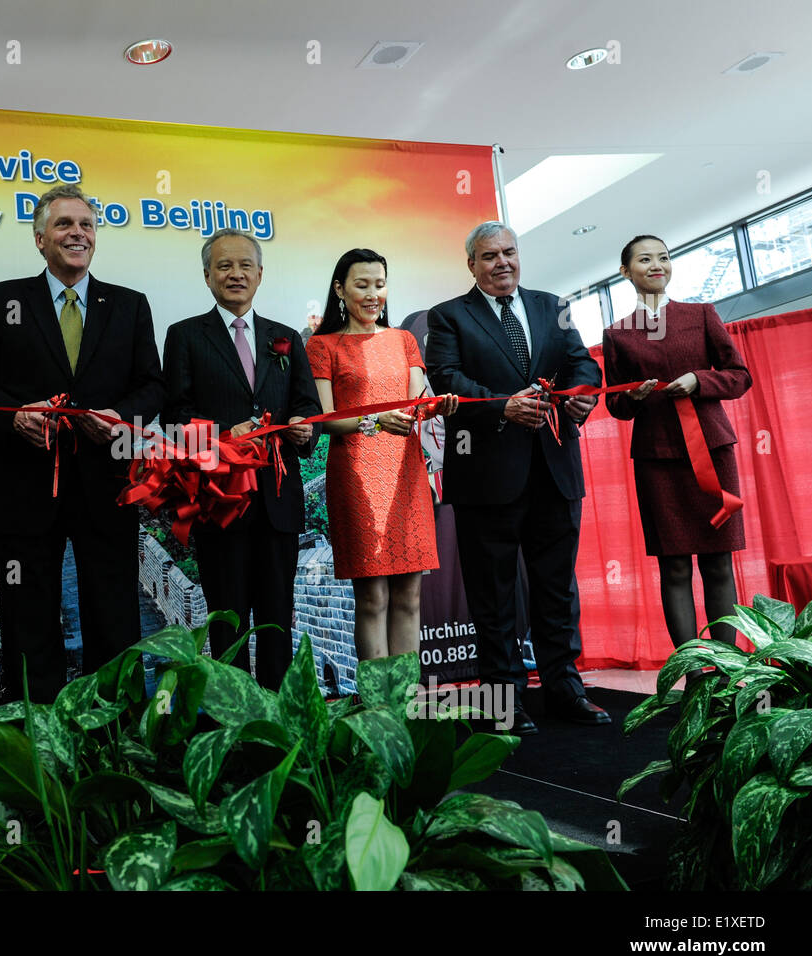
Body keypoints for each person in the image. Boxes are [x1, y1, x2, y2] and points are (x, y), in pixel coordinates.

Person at [0, 184, 163, 703]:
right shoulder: (2, 299)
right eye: (65, 224)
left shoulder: (130, 305)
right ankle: (39, 746)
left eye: (87, 225)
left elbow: (153, 385)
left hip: (108, 486)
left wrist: (123, 417)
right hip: (23, 487)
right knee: (28, 621)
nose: (78, 233)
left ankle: (114, 740)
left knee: (114, 616)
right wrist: (14, 416)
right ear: (39, 238)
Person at [425, 221, 606, 735]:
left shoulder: (553, 305)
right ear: (472, 265)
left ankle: (564, 689)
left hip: (555, 468)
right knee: (494, 593)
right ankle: (503, 699)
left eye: (509, 252)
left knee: (556, 587)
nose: (501, 262)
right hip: (487, 476)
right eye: (489, 256)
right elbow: (447, 380)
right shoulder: (448, 317)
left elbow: (581, 364)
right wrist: (503, 407)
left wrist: (581, 394)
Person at [161, 230, 321, 688]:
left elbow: (309, 406)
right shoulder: (185, 337)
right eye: (224, 266)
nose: (236, 274)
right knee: (227, 623)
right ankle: (232, 725)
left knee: (277, 620)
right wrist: (224, 436)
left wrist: (306, 427)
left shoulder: (286, 337)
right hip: (220, 504)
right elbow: (174, 418)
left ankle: (278, 721)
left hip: (277, 500)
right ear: (208, 276)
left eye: (245, 265)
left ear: (260, 274)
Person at [602, 235, 750, 670]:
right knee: (675, 568)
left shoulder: (702, 315)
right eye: (644, 259)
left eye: (664, 257)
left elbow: (739, 376)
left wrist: (700, 381)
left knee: (719, 563)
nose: (657, 264)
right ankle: (692, 674)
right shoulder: (618, 334)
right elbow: (615, 403)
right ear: (626, 272)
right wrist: (636, 396)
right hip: (658, 459)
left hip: (712, 451)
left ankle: (727, 670)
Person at [305, 249, 457, 662]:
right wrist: (373, 423)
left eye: (380, 284)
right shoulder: (321, 346)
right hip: (356, 474)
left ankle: (404, 707)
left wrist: (437, 406)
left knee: (410, 596)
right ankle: (378, 711)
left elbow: (416, 404)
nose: (374, 294)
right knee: (372, 598)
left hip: (407, 472)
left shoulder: (404, 340)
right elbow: (325, 419)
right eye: (362, 284)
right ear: (340, 289)